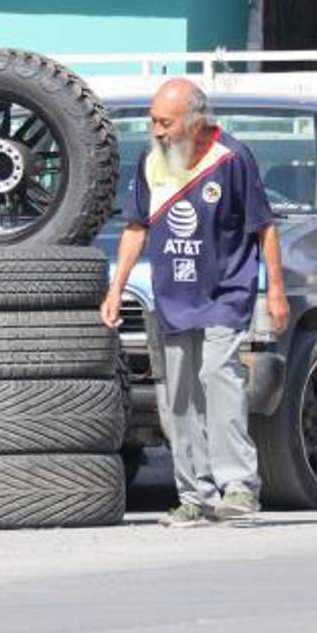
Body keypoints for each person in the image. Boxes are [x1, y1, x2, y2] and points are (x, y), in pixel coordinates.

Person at [100, 78, 289, 527]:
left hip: (226, 291)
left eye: (165, 122)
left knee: (217, 373)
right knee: (180, 394)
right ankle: (195, 495)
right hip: (174, 295)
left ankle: (240, 487)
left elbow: (265, 228)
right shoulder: (152, 161)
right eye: (153, 122)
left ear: (195, 119)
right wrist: (115, 288)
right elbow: (136, 228)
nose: (157, 130)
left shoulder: (232, 158)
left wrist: (276, 292)